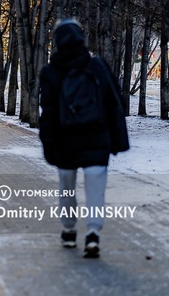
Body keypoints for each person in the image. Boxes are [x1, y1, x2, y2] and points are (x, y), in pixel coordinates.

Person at [38, 19, 128, 259]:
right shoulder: (97, 66)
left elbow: (47, 113)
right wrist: (118, 141)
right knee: (95, 189)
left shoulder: (50, 72)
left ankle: (68, 231)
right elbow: (113, 105)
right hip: (97, 139)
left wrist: (48, 145)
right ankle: (93, 234)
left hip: (65, 142)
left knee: (67, 188)